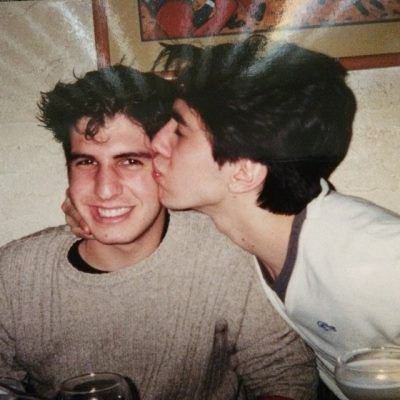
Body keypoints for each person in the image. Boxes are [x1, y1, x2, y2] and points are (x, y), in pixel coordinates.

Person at [0, 64, 317, 400]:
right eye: (87, 162)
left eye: (130, 161)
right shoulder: (16, 275)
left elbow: (285, 377)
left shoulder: (223, 253)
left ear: (166, 164)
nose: (105, 190)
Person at [147, 36, 400, 399]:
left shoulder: (371, 257)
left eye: (179, 131)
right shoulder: (262, 237)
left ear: (243, 172)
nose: (156, 142)